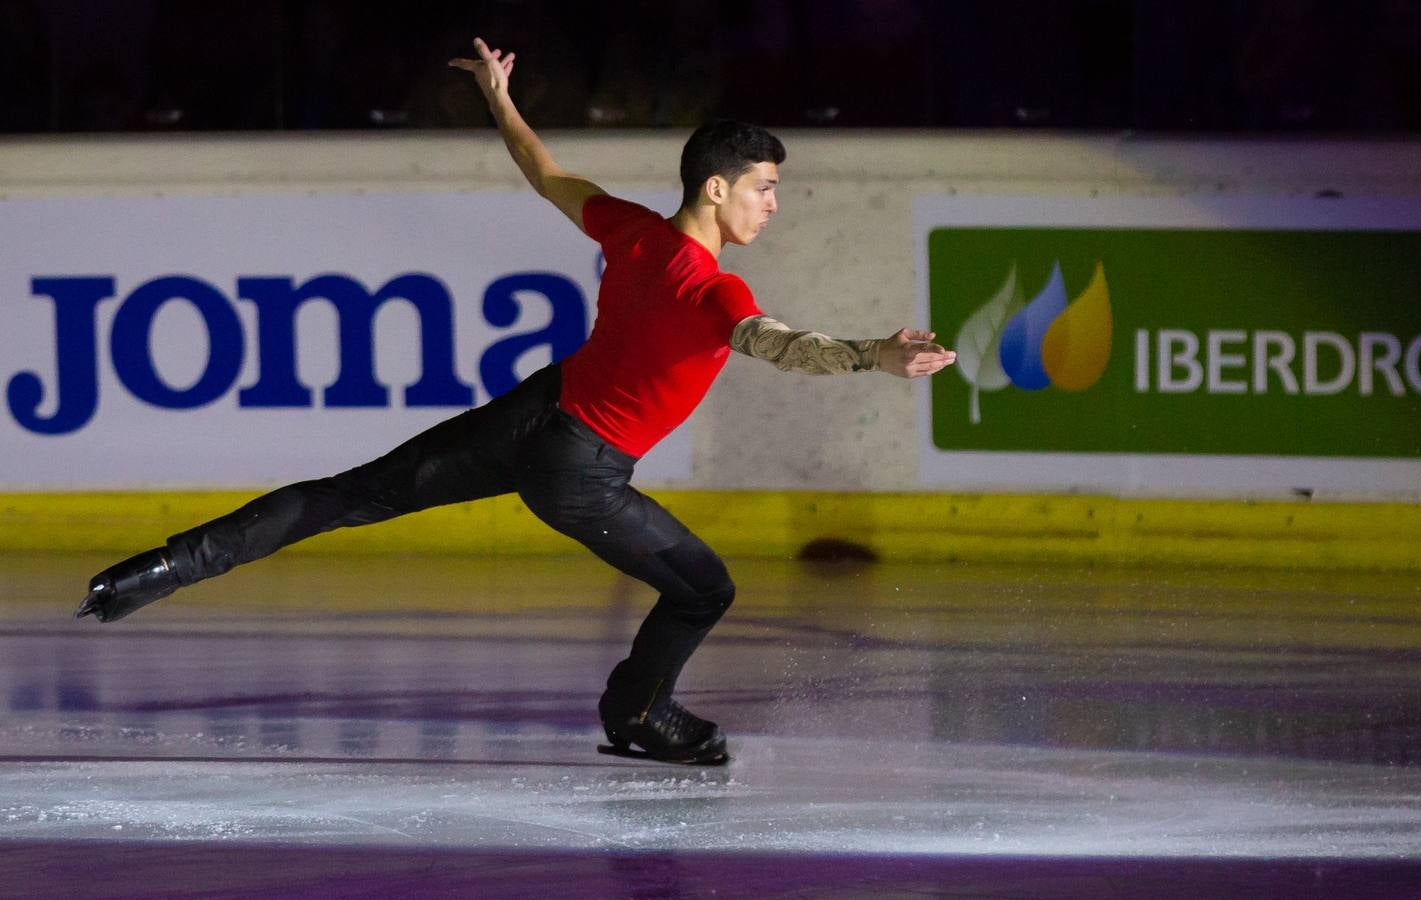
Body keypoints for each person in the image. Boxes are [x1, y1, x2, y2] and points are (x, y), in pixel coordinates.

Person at [73, 37, 957, 765]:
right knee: (705, 590)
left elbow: (544, 172)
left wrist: (498, 96)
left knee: (349, 495)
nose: (773, 205)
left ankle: (157, 571)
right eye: (765, 188)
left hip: (532, 415)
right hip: (580, 468)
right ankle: (638, 716)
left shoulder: (633, 231)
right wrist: (872, 357)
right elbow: (777, 344)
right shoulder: (714, 290)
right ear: (716, 187)